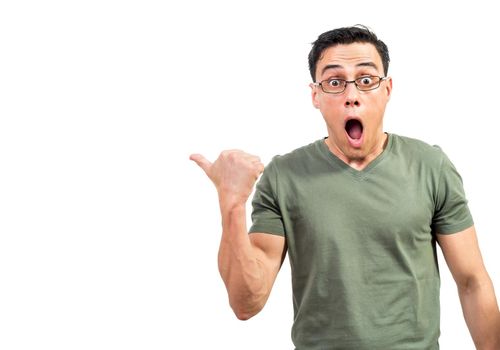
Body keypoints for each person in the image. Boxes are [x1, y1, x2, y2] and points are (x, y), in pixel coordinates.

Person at [190, 25, 500, 349]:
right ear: (316, 95)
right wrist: (231, 203)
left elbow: (472, 282)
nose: (352, 96)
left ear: (387, 89)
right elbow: (246, 303)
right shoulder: (284, 176)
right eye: (335, 83)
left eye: (366, 81)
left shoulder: (430, 167)